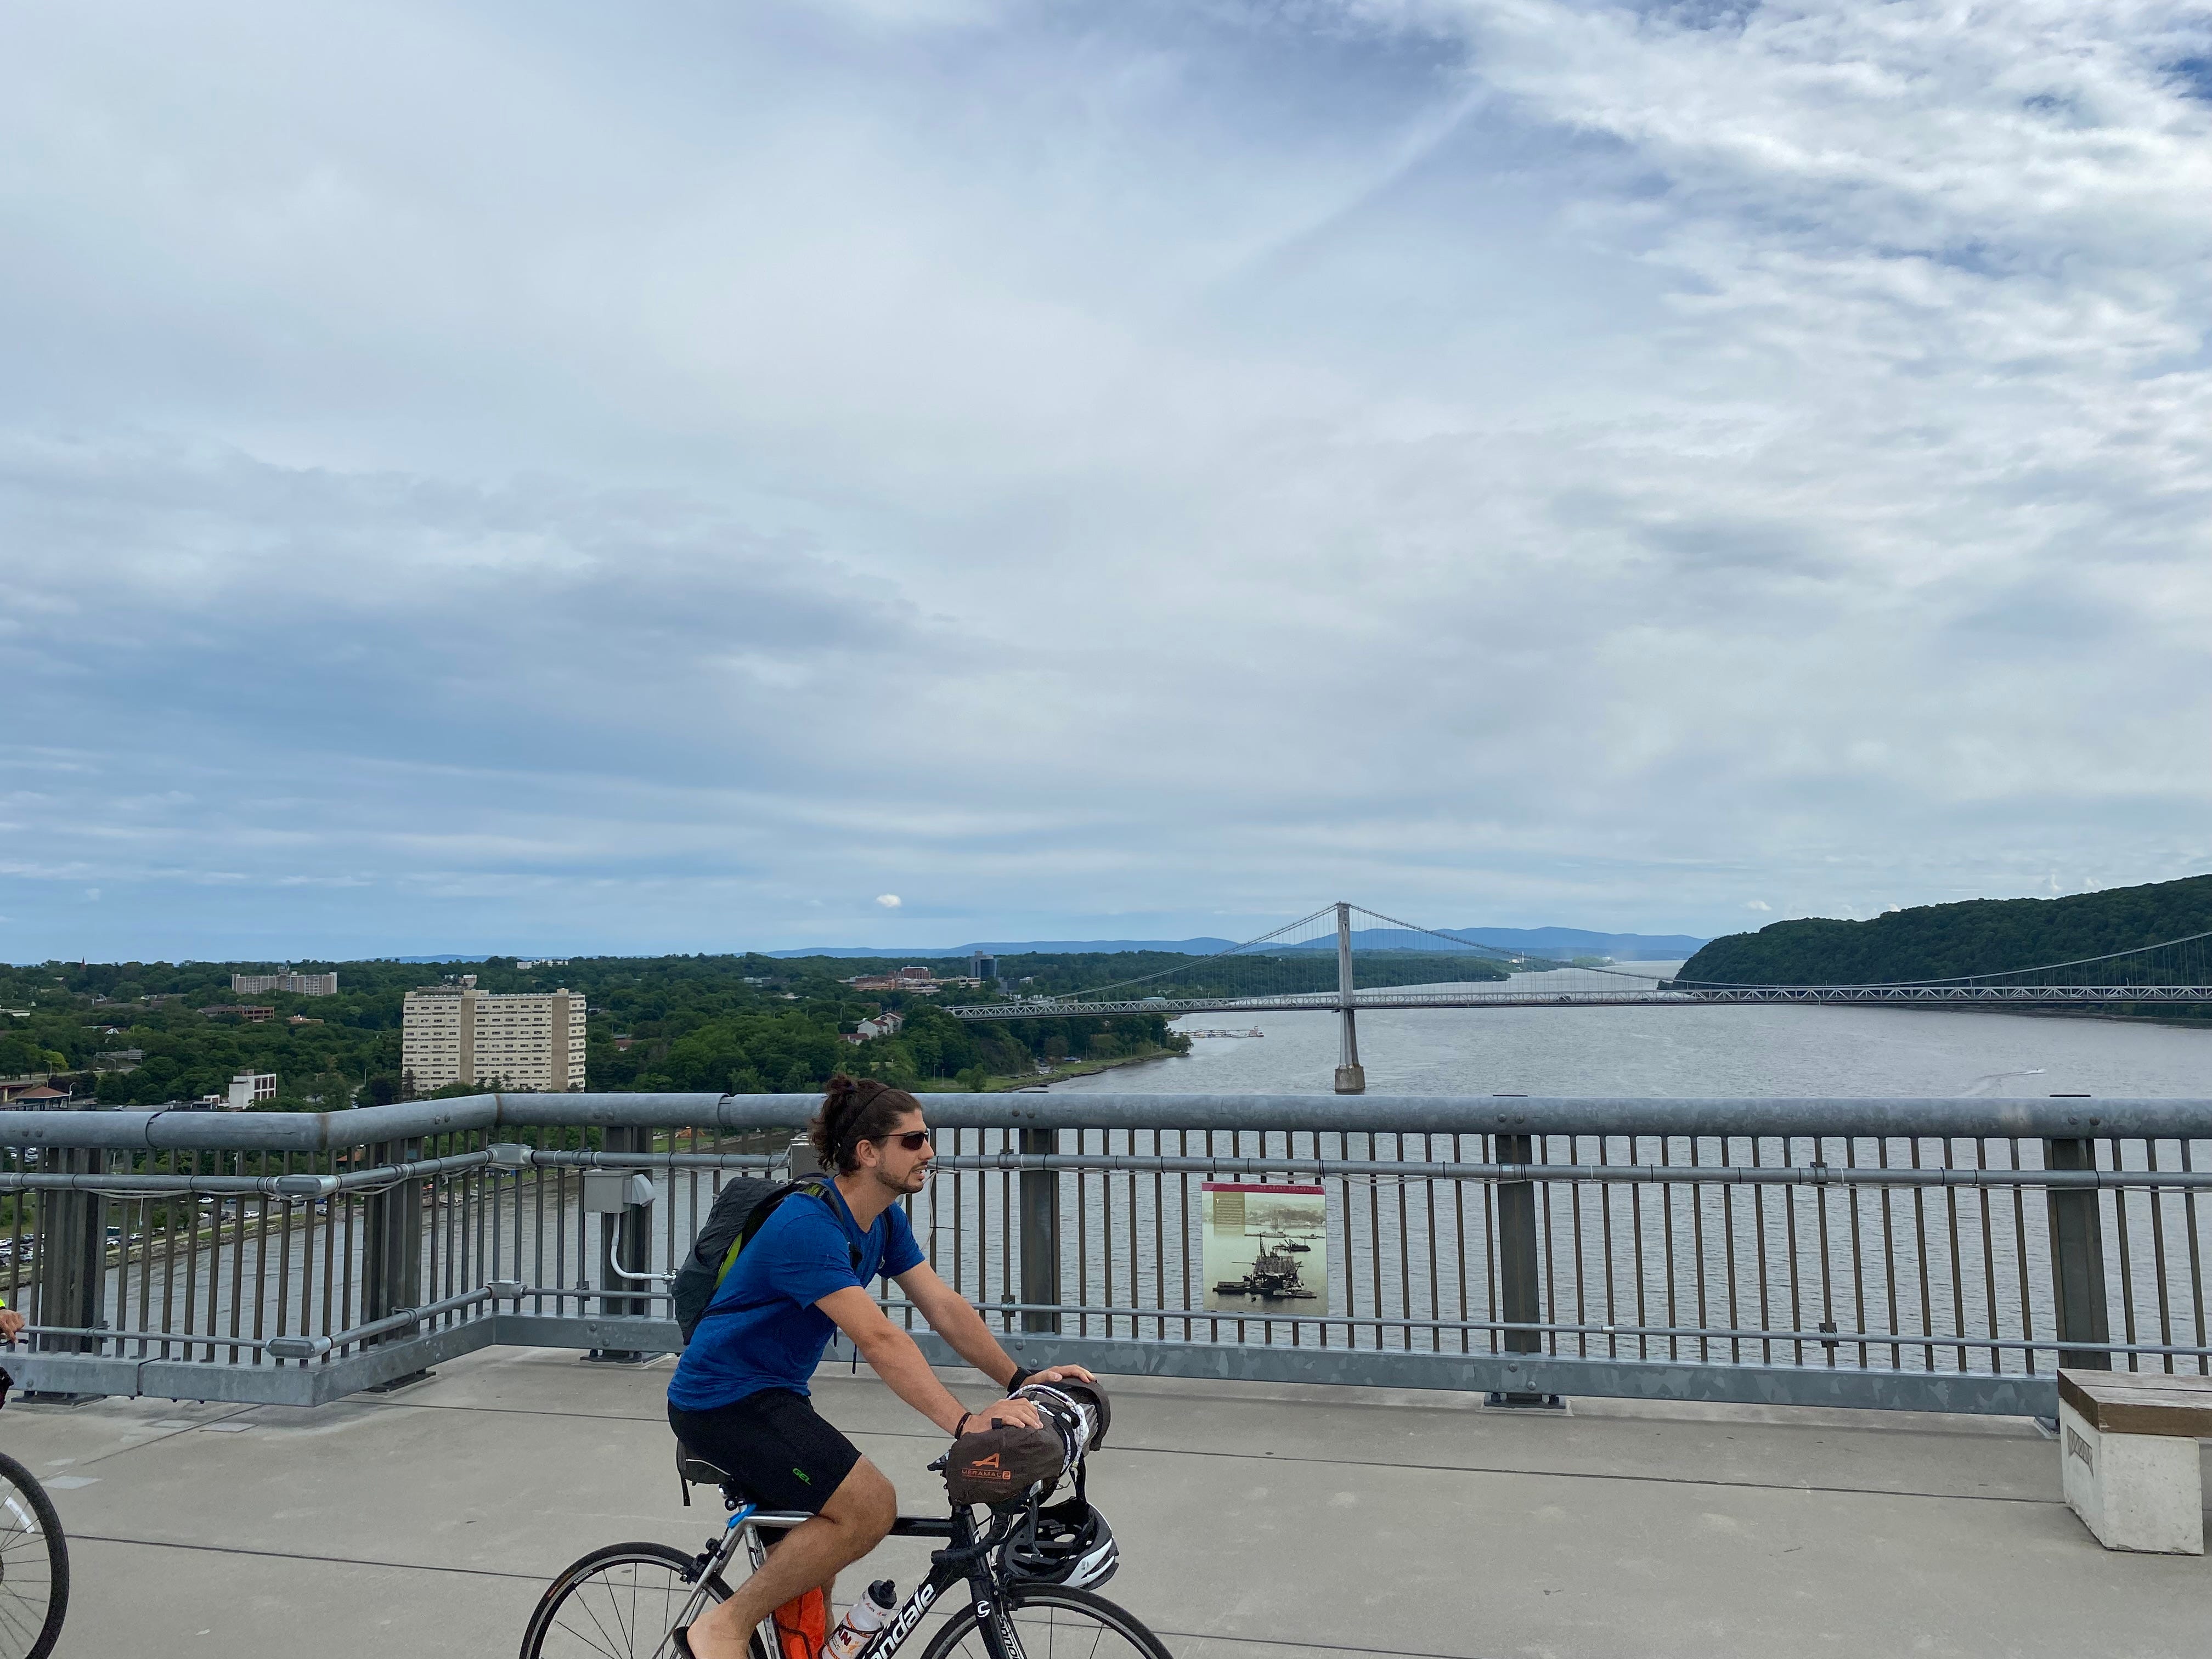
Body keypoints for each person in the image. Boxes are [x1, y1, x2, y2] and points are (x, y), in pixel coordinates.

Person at [666, 1076, 1094, 1659]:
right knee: (868, 1507)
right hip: (721, 1400)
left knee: (816, 1562)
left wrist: (1019, 1380)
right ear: (868, 1153)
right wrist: (966, 1424)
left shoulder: (883, 1220)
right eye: (913, 1140)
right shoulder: (806, 1227)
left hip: (776, 1393)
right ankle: (723, 1625)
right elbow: (879, 1337)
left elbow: (942, 1306)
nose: (929, 1152)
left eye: (928, 1137)